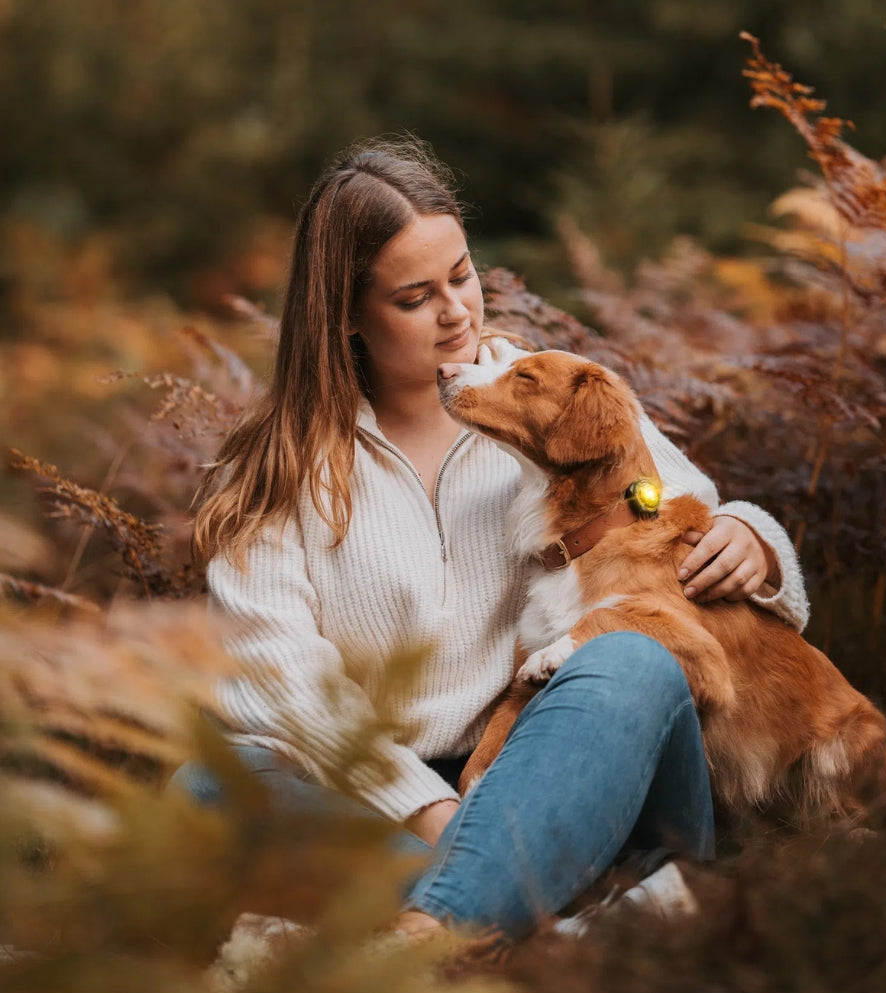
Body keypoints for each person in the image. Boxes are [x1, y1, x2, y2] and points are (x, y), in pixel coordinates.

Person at [181, 138, 810, 942]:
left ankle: (441, 934)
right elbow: (275, 679)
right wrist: (437, 812)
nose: (457, 314)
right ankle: (575, 921)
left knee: (629, 659)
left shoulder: (548, 392)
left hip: (576, 765)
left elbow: (665, 504)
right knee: (208, 787)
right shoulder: (277, 467)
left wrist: (751, 539)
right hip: (397, 803)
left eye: (462, 275)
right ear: (343, 313)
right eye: (414, 299)